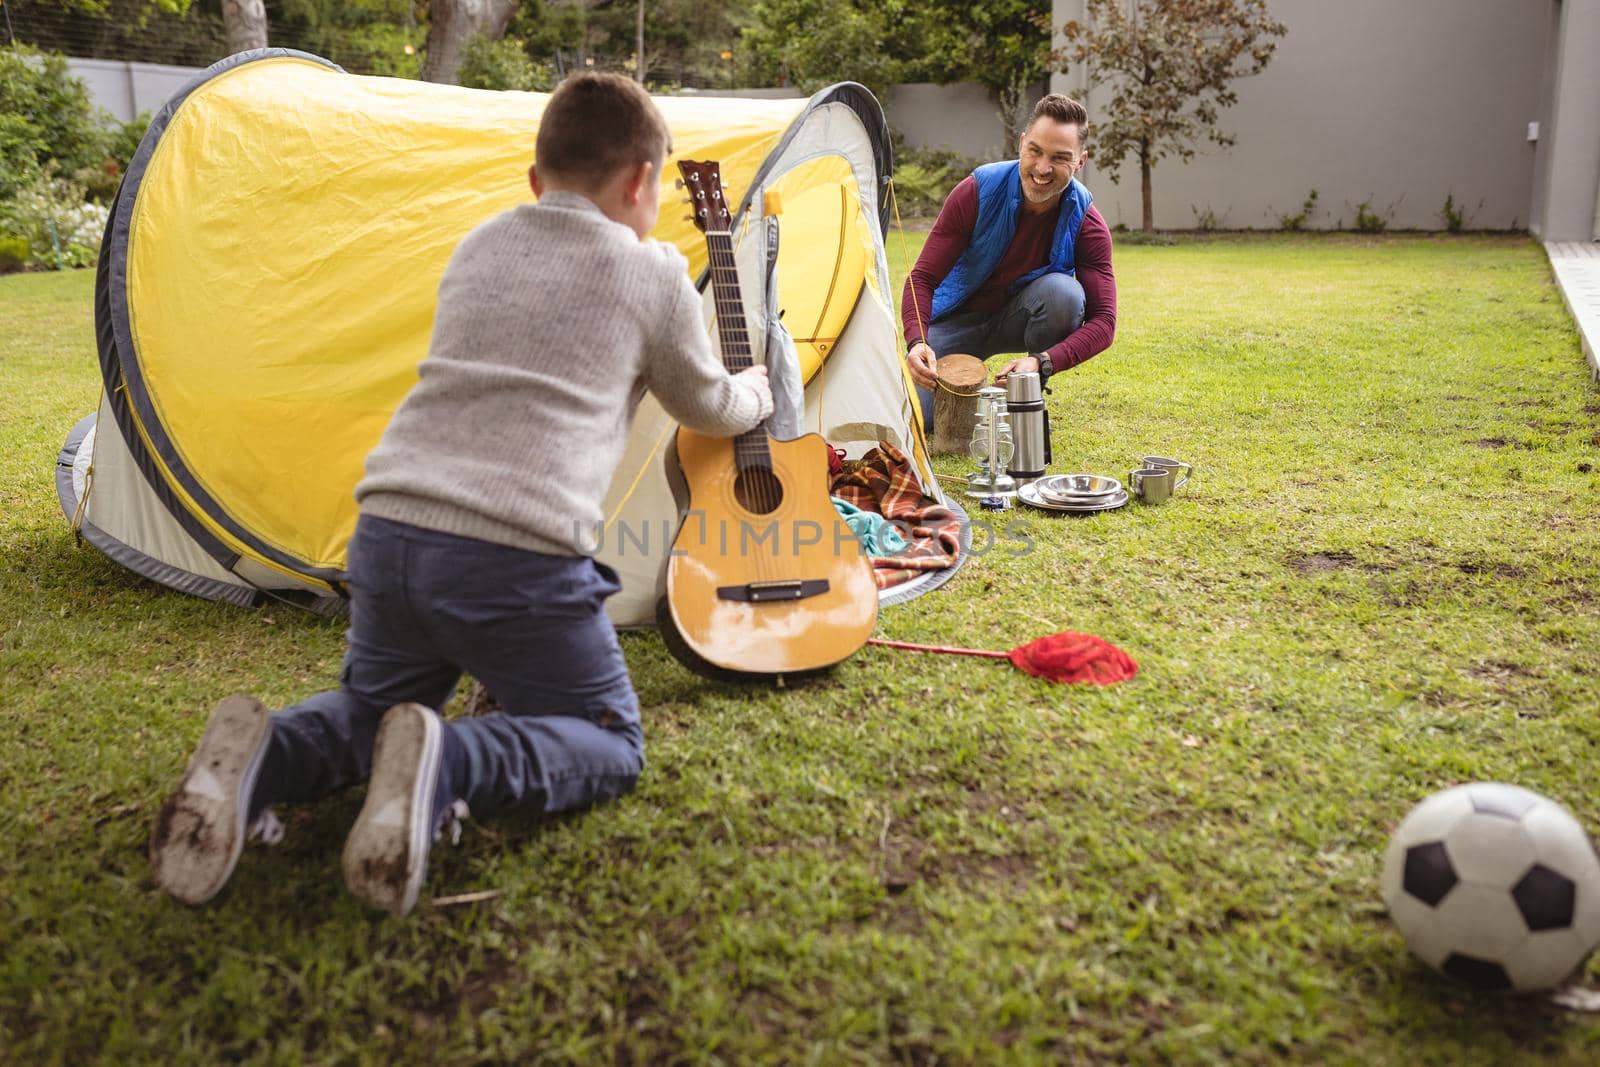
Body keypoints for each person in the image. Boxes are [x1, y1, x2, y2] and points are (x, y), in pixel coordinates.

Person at [148, 72, 774, 916]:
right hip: (514, 560)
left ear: (533, 182)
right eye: (656, 187)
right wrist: (759, 391)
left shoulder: (478, 245)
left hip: (391, 531)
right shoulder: (651, 271)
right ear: (639, 183)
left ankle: (267, 751)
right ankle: (450, 762)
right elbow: (705, 401)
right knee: (610, 740)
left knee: (373, 710)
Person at [901, 94, 1116, 430]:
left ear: (1081, 161)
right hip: (958, 320)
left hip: (1019, 317)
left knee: (1065, 294)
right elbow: (922, 279)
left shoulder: (1088, 223)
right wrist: (917, 342)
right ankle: (993, 398)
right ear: (1021, 144)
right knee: (922, 417)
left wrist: (1041, 363)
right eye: (1035, 151)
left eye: (1060, 158)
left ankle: (1026, 391)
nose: (1043, 169)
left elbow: (1104, 322)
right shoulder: (976, 191)